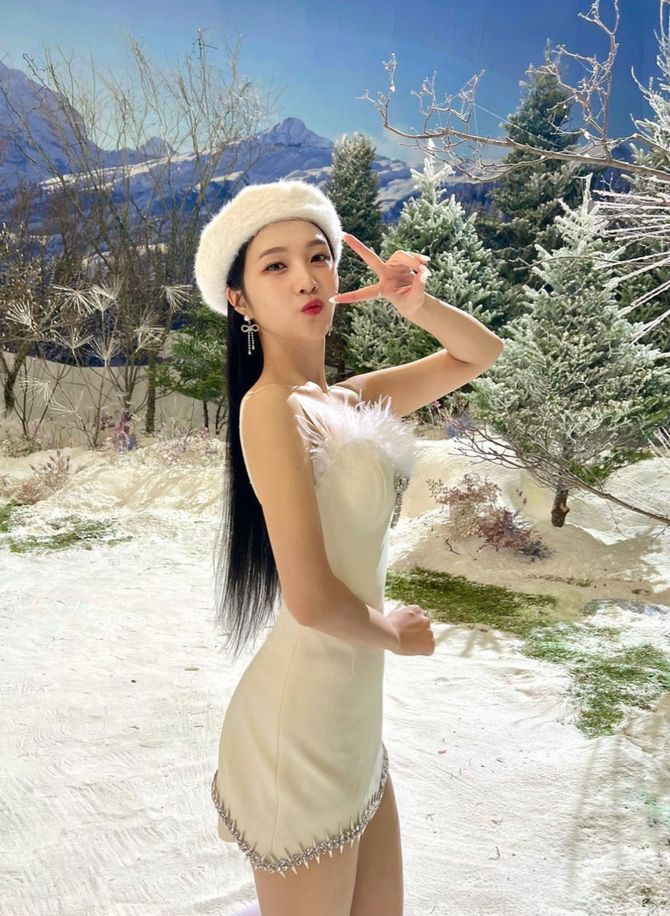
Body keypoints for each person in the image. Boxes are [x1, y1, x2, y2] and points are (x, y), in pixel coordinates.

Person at [193, 178, 436, 916]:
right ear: (239, 298)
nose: (306, 278)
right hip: (299, 730)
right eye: (275, 265)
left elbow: (478, 353)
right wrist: (392, 632)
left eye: (319, 256)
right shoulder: (270, 409)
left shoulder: (351, 399)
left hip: (353, 722)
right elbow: (309, 595)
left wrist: (415, 303)